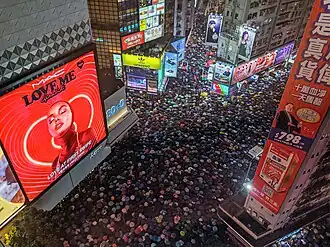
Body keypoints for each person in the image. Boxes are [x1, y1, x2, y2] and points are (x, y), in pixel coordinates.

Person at [47, 101, 97, 175]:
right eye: (51, 120)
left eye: (62, 111)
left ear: (72, 115)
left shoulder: (87, 135)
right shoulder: (55, 164)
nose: (56, 119)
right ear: (49, 130)